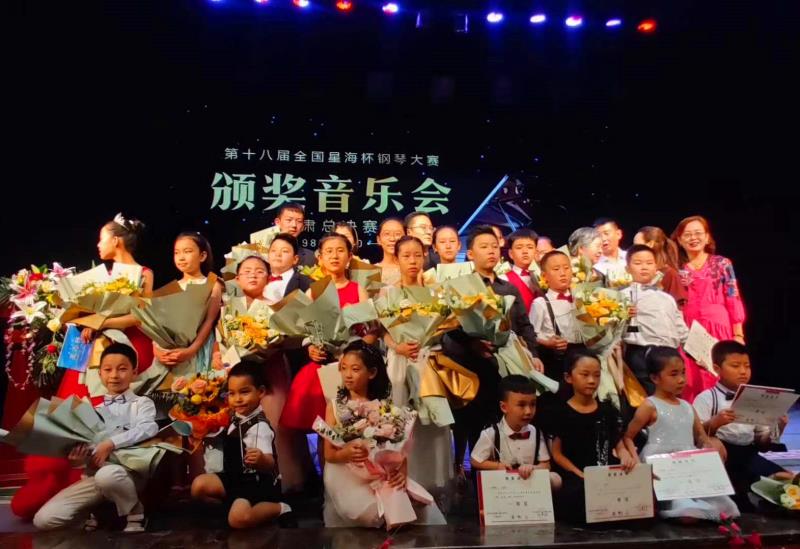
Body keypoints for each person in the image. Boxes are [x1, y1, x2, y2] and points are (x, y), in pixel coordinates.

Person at [442, 225, 543, 468]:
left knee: (501, 425)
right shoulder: (458, 287)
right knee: (473, 426)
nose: (491, 251)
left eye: (495, 247)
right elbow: (448, 326)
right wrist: (473, 343)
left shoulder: (508, 288)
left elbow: (523, 325)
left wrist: (533, 354)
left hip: (505, 369)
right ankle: (471, 476)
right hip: (471, 369)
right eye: (484, 247)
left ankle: (504, 474)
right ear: (470, 253)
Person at [34, 344, 159, 532]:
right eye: (107, 370)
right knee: (44, 520)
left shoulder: (141, 403)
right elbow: (89, 453)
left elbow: (148, 427)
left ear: (134, 373)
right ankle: (101, 513)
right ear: (99, 374)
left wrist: (111, 443)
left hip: (129, 473)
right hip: (95, 477)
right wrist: (78, 460)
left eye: (122, 369)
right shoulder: (90, 411)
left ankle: (136, 514)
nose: (114, 375)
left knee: (107, 476)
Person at [322, 341, 446, 527]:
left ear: (372, 373)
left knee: (418, 508)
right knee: (374, 515)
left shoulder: (385, 407)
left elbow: (397, 446)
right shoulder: (334, 406)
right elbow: (329, 454)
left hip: (381, 473)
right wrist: (346, 453)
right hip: (349, 476)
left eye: (355, 369)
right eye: (343, 368)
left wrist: (401, 471)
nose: (348, 375)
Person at [624, 346, 739, 522]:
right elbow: (627, 437)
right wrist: (636, 461)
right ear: (655, 378)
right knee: (685, 509)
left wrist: (709, 452)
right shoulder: (650, 405)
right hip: (662, 464)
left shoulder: (687, 406)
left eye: (683, 373)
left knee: (727, 507)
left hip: (688, 463)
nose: (681, 379)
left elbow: (701, 437)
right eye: (674, 374)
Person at [382, 236, 454, 497]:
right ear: (397, 259)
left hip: (428, 360)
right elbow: (384, 331)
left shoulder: (436, 291)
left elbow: (444, 325)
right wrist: (397, 346)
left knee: (431, 421)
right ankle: (401, 478)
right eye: (406, 256)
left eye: (417, 255)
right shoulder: (388, 292)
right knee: (402, 420)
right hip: (400, 361)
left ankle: (432, 482)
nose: (412, 261)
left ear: (424, 256)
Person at [280, 234, 370, 432]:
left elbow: (368, 331)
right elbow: (304, 328)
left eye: (340, 251)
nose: (334, 256)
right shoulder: (313, 291)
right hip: (321, 367)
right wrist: (311, 347)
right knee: (323, 430)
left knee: (350, 429)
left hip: (351, 369)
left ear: (349, 257)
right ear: (320, 258)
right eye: (329, 251)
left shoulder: (358, 290)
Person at [190, 362, 296, 529]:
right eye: (232, 394)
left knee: (239, 519)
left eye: (244, 392)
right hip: (234, 478)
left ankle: (280, 508)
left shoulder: (259, 426)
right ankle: (230, 507)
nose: (238, 399)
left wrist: (261, 459)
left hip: (255, 483)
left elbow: (270, 463)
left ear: (261, 392)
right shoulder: (234, 417)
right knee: (198, 486)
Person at [693, 341, 791, 509]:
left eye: (747, 366)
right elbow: (696, 437)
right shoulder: (707, 398)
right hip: (723, 455)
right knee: (715, 447)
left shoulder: (756, 398)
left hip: (747, 455)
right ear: (717, 368)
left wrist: (778, 427)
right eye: (735, 366)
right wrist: (715, 423)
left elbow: (762, 443)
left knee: (788, 480)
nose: (743, 371)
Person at [549, 349, 637, 523]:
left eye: (596, 375)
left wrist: (625, 456)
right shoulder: (561, 413)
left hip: (606, 471)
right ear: (569, 377)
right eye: (585, 375)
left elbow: (618, 444)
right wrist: (579, 473)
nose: (591, 380)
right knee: (580, 498)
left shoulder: (607, 410)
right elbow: (557, 454)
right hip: (577, 474)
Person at [671, 215, 746, 399]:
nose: (693, 238)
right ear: (679, 240)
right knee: (691, 380)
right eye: (687, 234)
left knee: (720, 376)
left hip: (718, 327)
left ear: (707, 237)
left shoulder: (722, 263)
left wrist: (738, 334)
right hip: (688, 328)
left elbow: (733, 296)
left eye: (698, 233)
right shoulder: (675, 268)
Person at [470, 375, 561, 490]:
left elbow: (546, 465)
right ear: (504, 407)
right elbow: (475, 460)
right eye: (521, 405)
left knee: (556, 479)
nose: (528, 411)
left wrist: (533, 468)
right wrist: (497, 466)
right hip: (503, 489)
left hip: (528, 488)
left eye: (533, 404)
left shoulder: (536, 432)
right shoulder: (491, 433)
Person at [621, 244, 689, 395]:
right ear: (627, 268)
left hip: (671, 353)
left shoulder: (667, 298)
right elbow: (620, 331)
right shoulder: (623, 296)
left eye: (649, 263)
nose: (644, 267)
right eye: (638, 263)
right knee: (651, 398)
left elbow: (680, 328)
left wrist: (696, 350)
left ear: (656, 267)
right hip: (643, 354)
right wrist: (624, 317)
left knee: (674, 398)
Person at [530, 251, 583, 383]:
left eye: (566, 268)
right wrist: (547, 343)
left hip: (583, 355)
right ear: (544, 276)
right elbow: (530, 336)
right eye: (556, 269)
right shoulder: (540, 303)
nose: (563, 273)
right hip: (557, 361)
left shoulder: (582, 298)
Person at [633, 226, 687, 307]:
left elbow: (678, 307)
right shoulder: (637, 272)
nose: (633, 250)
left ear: (650, 244)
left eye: (637, 245)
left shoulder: (670, 274)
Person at [501, 228, 541, 312]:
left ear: (536, 252)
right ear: (511, 254)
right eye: (519, 247)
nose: (525, 251)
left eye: (530, 247)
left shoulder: (541, 276)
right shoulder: (504, 279)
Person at [273, 203, 315, 268]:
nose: (294, 225)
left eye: (299, 221)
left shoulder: (310, 257)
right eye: (289, 220)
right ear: (278, 222)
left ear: (303, 226)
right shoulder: (262, 252)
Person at [375, 218, 405, 288]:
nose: (392, 239)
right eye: (387, 234)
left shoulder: (412, 268)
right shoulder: (372, 271)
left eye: (398, 234)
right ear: (378, 239)